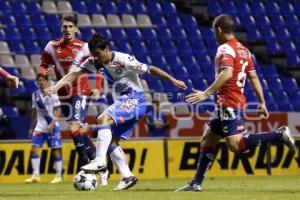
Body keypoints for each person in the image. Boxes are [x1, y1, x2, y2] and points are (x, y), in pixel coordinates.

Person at [45, 33, 187, 190]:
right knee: (111, 141)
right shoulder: (94, 61)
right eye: (94, 55)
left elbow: (150, 69)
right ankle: (127, 177)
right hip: (123, 103)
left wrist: (173, 80)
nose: (96, 59)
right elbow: (73, 74)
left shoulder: (123, 59)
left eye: (98, 54)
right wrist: (56, 87)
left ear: (106, 49)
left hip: (135, 100)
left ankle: (99, 161)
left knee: (102, 119)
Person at [175, 14, 296, 192]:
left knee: (236, 145)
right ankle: (196, 183)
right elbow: (254, 78)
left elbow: (227, 73)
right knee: (208, 139)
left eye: (213, 31)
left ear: (218, 30)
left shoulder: (225, 49)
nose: (213, 34)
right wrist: (262, 102)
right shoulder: (244, 50)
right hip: (228, 103)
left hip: (229, 103)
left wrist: (205, 93)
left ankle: (279, 134)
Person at [38, 15, 103, 169]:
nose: (67, 29)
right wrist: (45, 74)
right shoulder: (51, 46)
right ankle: (99, 163)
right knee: (79, 130)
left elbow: (99, 67)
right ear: (61, 28)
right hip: (63, 94)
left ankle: (84, 164)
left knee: (74, 127)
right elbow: (43, 65)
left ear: (76, 28)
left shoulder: (84, 47)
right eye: (65, 26)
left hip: (81, 92)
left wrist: (98, 88)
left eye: (70, 26)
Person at [25, 74, 63, 183]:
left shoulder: (52, 93)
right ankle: (36, 175)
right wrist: (31, 128)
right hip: (40, 127)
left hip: (52, 126)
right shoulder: (35, 95)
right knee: (34, 148)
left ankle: (59, 176)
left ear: (47, 81)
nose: (41, 82)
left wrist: (52, 124)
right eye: (39, 80)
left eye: (43, 80)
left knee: (55, 150)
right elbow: (34, 112)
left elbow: (58, 111)